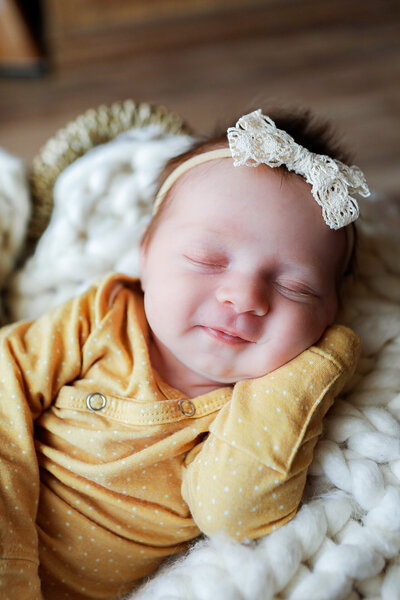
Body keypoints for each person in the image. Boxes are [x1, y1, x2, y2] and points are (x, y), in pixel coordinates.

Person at [0, 109, 369, 599]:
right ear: (146, 255)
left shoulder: (255, 412)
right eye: (206, 260)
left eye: (296, 287)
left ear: (332, 315)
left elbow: (231, 511)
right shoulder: (104, 316)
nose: (245, 297)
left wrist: (320, 363)